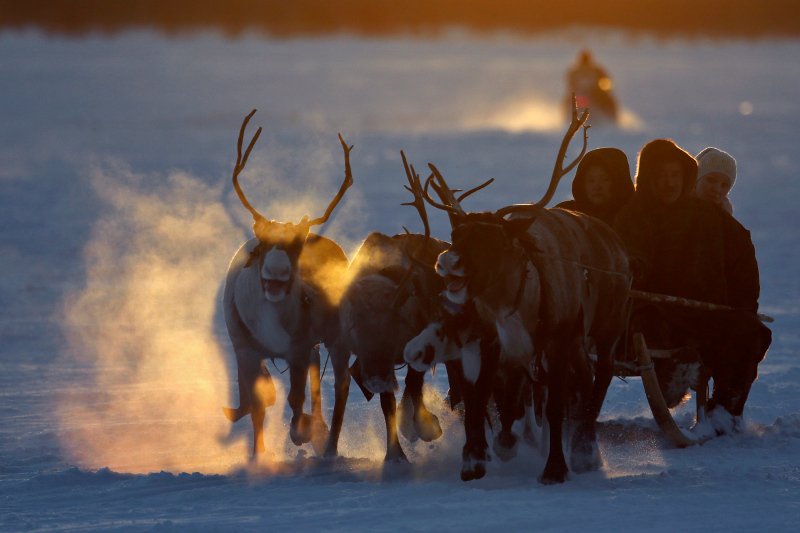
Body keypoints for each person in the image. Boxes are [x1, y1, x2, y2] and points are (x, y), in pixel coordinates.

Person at [614, 139, 771, 429]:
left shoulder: (709, 215)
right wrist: (635, 266)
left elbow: (742, 264)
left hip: (708, 313)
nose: (669, 183)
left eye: (675, 175)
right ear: (648, 178)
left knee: (750, 332)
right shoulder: (634, 214)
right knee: (655, 327)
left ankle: (725, 411)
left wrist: (743, 309)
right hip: (656, 307)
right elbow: (630, 252)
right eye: (662, 175)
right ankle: (672, 377)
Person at [556, 147, 633, 226]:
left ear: (618, 181)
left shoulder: (632, 217)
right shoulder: (565, 214)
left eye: (605, 179)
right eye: (590, 180)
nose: (597, 187)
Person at [565, 49, 618, 123]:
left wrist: (605, 87)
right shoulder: (575, 71)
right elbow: (570, 83)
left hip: (594, 92)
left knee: (608, 100)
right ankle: (566, 118)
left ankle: (612, 118)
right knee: (567, 102)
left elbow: (605, 80)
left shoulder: (596, 70)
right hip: (582, 93)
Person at [695, 147, 736, 214]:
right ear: (696, 179)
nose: (717, 189)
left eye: (724, 185)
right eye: (711, 180)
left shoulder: (725, 217)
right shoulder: (678, 208)